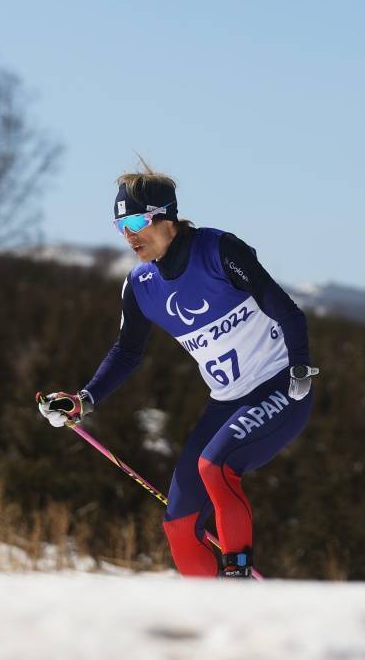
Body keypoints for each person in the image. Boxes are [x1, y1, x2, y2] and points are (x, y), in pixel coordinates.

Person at [38, 168, 317, 578]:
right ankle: (211, 612)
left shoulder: (218, 251)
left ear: (167, 218)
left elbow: (284, 308)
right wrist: (86, 398)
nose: (129, 235)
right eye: (120, 226)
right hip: (226, 402)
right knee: (179, 524)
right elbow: (128, 351)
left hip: (279, 385)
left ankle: (238, 577)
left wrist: (300, 367)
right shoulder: (140, 285)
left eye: (136, 222)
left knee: (215, 466)